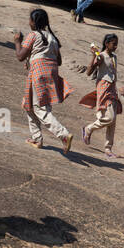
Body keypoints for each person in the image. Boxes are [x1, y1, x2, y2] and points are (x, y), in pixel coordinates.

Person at [13, 9, 73, 151]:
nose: (29, 22)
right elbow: (58, 61)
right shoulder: (53, 38)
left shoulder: (32, 35)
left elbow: (20, 56)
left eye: (30, 20)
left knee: (39, 107)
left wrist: (17, 42)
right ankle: (37, 138)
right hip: (50, 72)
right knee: (29, 104)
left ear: (33, 22)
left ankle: (63, 134)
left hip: (38, 72)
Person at [81, 33, 121, 159]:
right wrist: (94, 56)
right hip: (104, 88)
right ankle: (89, 129)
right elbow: (89, 72)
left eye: (116, 44)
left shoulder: (114, 57)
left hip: (112, 88)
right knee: (109, 117)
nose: (115, 46)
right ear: (106, 44)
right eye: (113, 44)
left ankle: (108, 148)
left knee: (112, 121)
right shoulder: (101, 56)